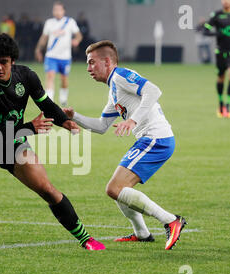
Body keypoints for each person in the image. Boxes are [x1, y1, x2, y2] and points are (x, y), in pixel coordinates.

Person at [0, 33, 105, 252]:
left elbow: (46, 103)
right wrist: (29, 128)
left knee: (46, 189)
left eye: (3, 62)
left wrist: (64, 121)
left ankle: (86, 239)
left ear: (12, 61)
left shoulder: (26, 77)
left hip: (13, 143)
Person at [62, 40, 187, 250]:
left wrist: (132, 121)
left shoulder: (120, 76)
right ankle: (142, 233)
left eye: (92, 62)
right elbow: (101, 126)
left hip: (156, 138)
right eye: (88, 63)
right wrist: (75, 116)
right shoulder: (113, 89)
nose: (88, 68)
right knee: (118, 187)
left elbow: (153, 90)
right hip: (151, 139)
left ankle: (171, 220)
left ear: (107, 61)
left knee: (114, 188)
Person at [35, 1, 82, 107]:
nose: (56, 12)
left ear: (63, 11)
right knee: (50, 76)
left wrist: (77, 41)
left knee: (64, 79)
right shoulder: (49, 23)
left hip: (65, 57)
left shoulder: (70, 22)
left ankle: (63, 99)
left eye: (59, 9)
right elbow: (44, 37)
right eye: (55, 10)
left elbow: (79, 35)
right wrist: (38, 49)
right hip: (51, 56)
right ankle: (49, 102)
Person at [202, 0, 230, 118]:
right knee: (221, 78)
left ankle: (228, 106)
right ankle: (220, 104)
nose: (225, 2)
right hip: (220, 52)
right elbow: (205, 31)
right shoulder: (216, 15)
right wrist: (216, 34)